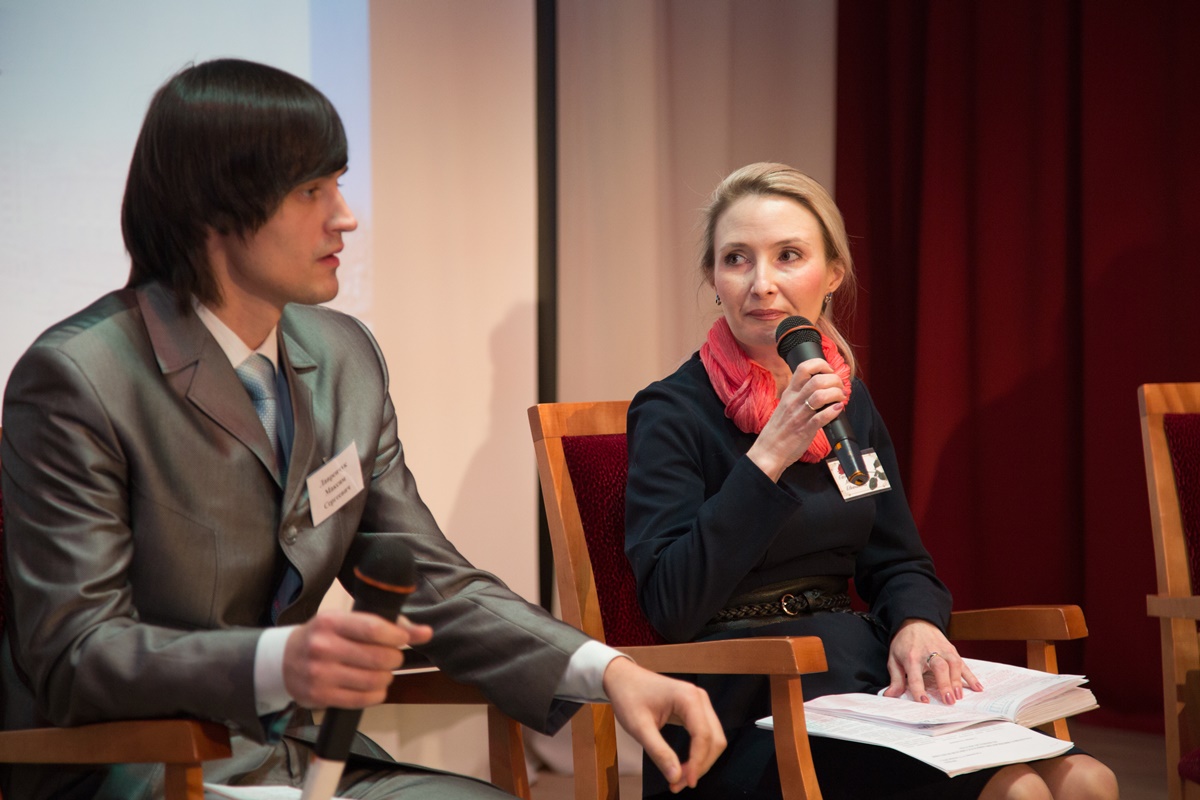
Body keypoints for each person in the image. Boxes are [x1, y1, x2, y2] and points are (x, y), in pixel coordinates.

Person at [0, 58, 725, 800]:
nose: (345, 217)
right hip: (145, 767)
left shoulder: (343, 355)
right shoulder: (79, 377)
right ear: (213, 208)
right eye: (311, 190)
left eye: (339, 185)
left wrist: (610, 671)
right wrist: (278, 662)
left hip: (301, 760)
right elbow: (74, 652)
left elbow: (430, 580)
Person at [624, 162, 1118, 799]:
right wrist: (768, 457)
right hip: (743, 708)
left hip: (856, 685)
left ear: (832, 275)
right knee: (1016, 791)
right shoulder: (671, 411)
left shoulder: (847, 404)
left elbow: (898, 560)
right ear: (713, 279)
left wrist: (915, 621)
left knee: (1088, 781)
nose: (762, 283)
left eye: (789, 256)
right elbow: (670, 603)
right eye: (737, 259)